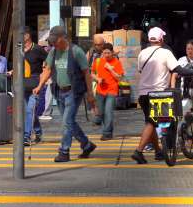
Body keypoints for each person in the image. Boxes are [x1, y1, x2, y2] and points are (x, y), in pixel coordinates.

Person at [131, 27, 193, 164]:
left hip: (143, 94)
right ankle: (138, 151)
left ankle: (158, 151)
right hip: (158, 94)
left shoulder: (142, 53)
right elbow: (177, 69)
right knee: (152, 122)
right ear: (161, 39)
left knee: (149, 122)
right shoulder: (165, 52)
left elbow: (140, 70)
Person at [31, 26, 97, 163]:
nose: (53, 44)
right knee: (69, 122)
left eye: (55, 41)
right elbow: (48, 70)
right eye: (52, 41)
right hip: (58, 91)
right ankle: (87, 144)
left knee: (67, 122)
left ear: (63, 38)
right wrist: (39, 86)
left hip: (73, 92)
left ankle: (64, 151)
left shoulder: (76, 51)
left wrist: (90, 94)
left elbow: (86, 73)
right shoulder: (53, 52)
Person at [91, 43, 124, 141]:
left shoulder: (116, 62)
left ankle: (107, 133)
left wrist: (110, 69)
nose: (106, 55)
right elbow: (92, 73)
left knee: (108, 112)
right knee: (101, 112)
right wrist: (98, 79)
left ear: (112, 53)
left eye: (108, 53)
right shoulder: (97, 61)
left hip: (112, 90)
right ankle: (101, 123)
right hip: (100, 90)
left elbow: (119, 77)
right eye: (104, 53)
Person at [23, 28, 48, 146]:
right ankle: (38, 132)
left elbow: (49, 61)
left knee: (30, 110)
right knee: (28, 112)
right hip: (22, 85)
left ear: (27, 35)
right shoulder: (19, 50)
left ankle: (26, 136)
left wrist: (44, 75)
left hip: (35, 85)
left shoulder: (37, 49)